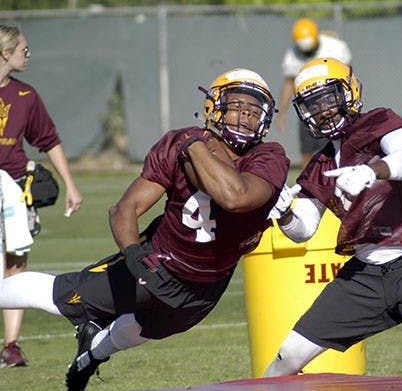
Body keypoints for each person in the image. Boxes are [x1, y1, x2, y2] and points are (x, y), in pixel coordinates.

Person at [0, 68, 290, 390]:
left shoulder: (268, 156)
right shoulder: (177, 145)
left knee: (140, 330)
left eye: (254, 111)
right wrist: (134, 253)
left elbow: (234, 197)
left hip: (207, 286)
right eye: (238, 106)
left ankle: (91, 355)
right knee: (61, 297)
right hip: (160, 263)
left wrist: (193, 144)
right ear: (215, 107)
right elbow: (125, 209)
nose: (246, 117)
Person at [265, 58, 402, 382]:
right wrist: (283, 212)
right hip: (365, 273)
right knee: (290, 354)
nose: (323, 110)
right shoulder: (321, 163)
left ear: (349, 92)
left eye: (328, 98)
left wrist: (371, 170)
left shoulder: (379, 122)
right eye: (313, 104)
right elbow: (304, 229)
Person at [0, 24, 83, 368]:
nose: (28, 54)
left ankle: (12, 345)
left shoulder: (25, 96)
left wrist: (71, 185)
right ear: (4, 52)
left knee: (16, 263)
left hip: (15, 188)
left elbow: (47, 140)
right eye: (23, 49)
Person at [277, 18, 352, 169]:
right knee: (308, 150)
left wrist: (349, 101)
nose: (307, 53)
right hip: (310, 105)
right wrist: (282, 112)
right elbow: (289, 83)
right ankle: (308, 184)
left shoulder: (335, 48)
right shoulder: (293, 54)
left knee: (341, 144)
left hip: (334, 102)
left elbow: (349, 75)